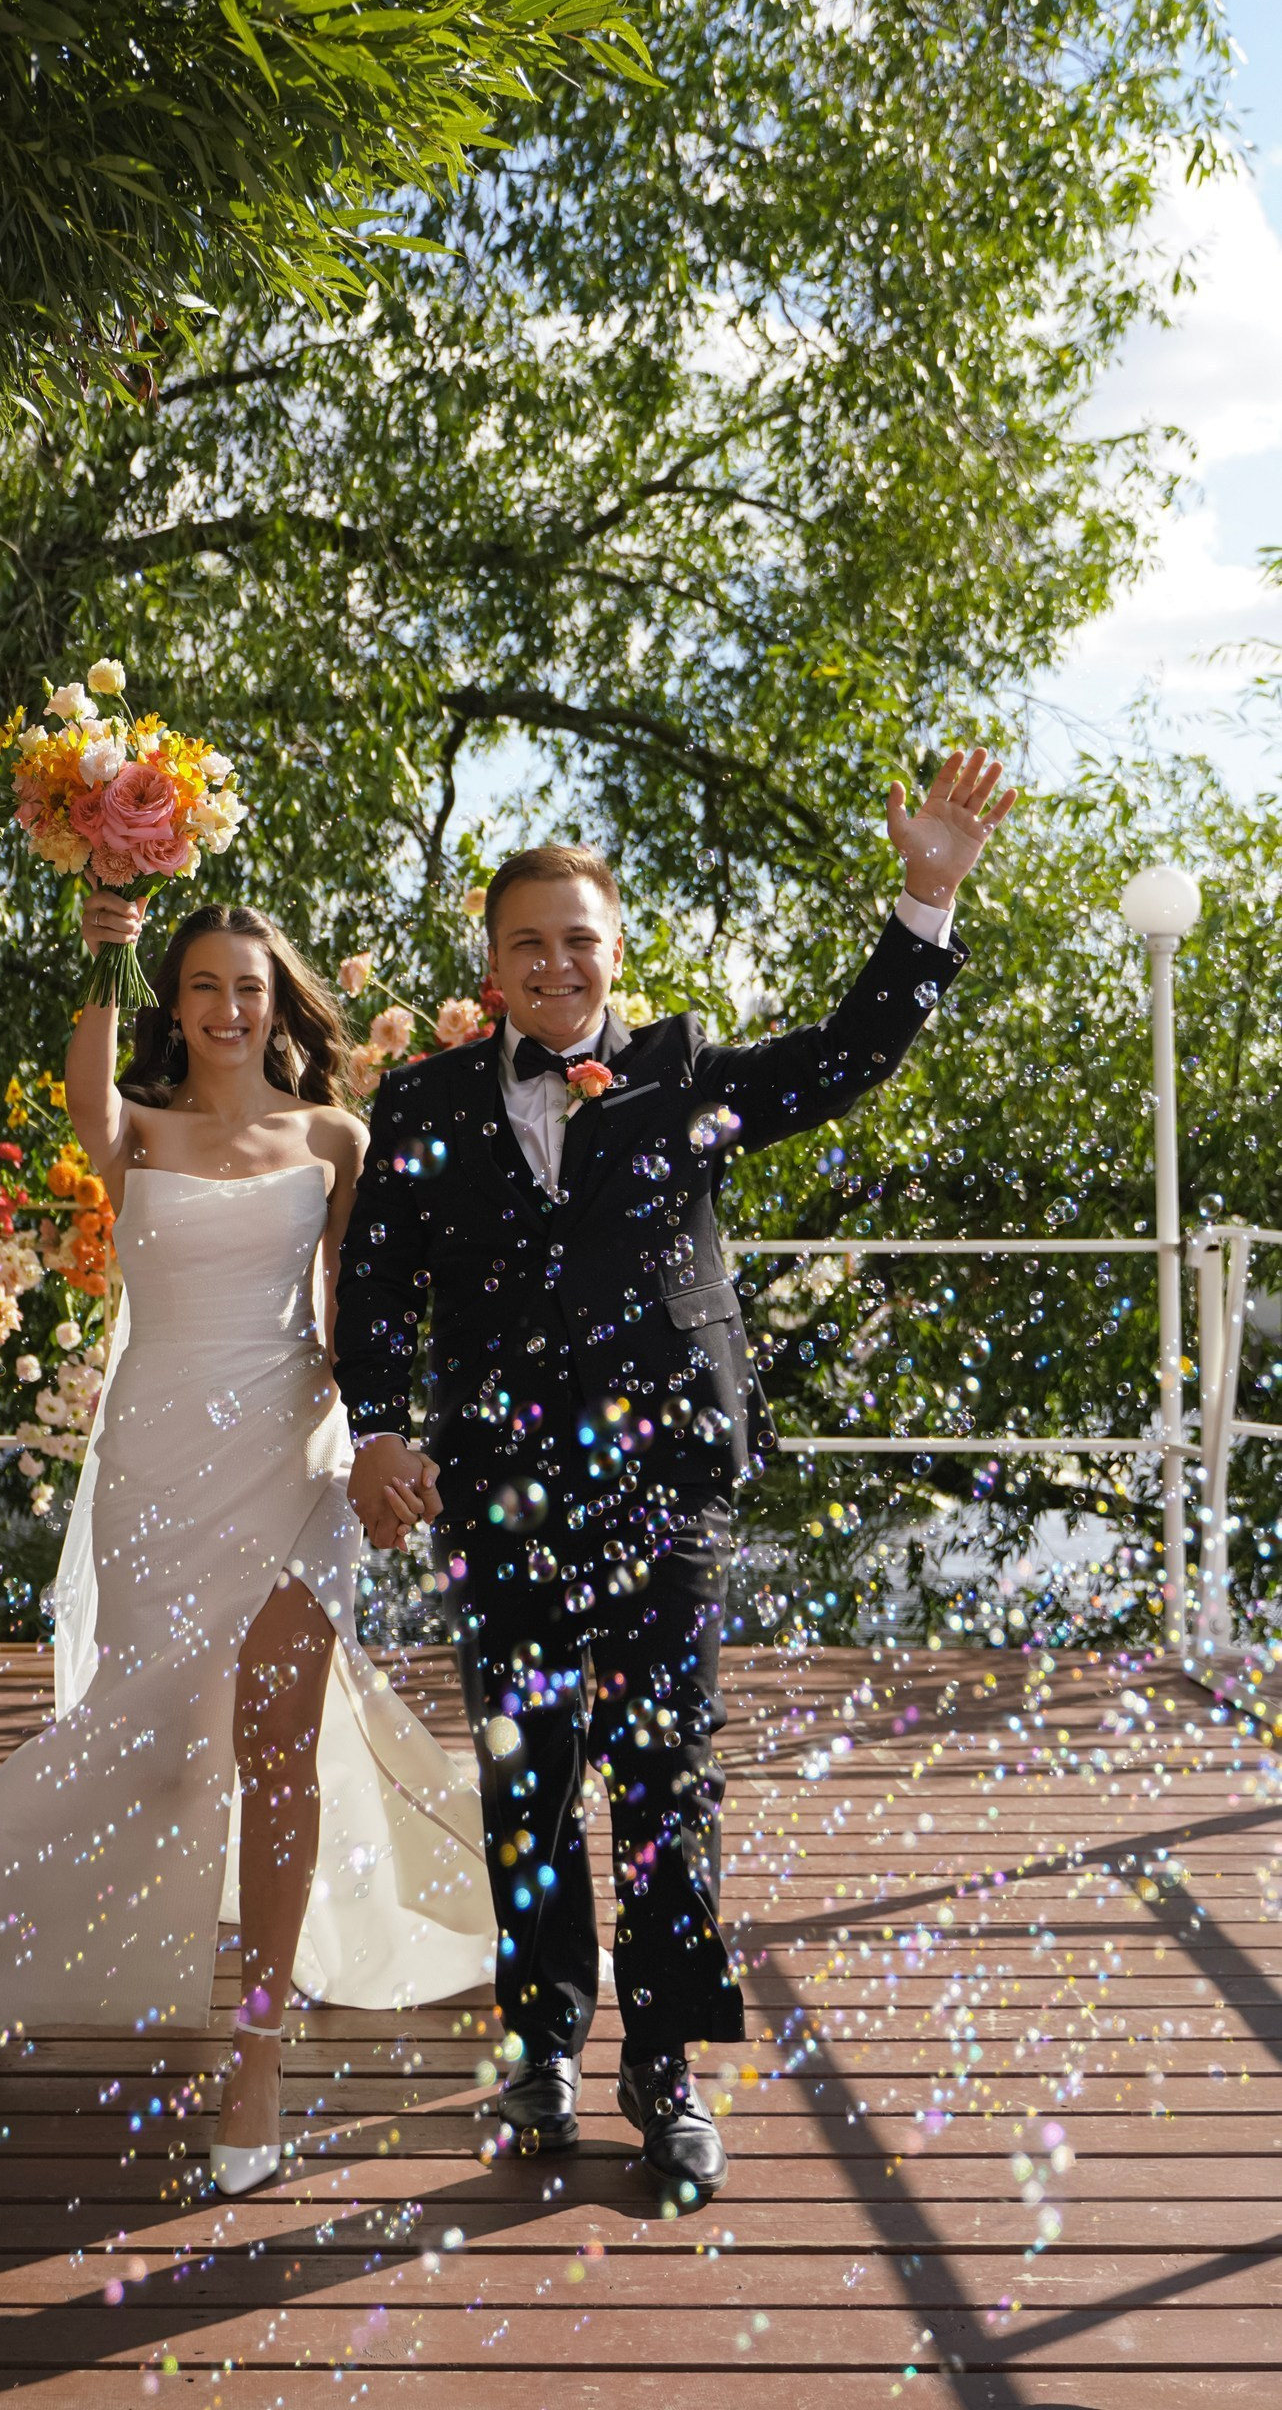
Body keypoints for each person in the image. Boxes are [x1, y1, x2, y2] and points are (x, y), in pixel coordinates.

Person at [335, 748, 1016, 2196]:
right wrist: (381, 1423)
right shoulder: (424, 1102)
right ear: (493, 964)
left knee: (662, 1777)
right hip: (499, 1482)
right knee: (525, 1780)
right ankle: (538, 2059)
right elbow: (378, 1285)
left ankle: (664, 2069)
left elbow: (843, 1061)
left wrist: (925, 902)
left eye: (579, 939)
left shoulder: (685, 1078)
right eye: (528, 943)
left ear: (613, 952)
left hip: (664, 1483)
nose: (556, 963)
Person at [0, 898, 493, 2196]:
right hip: (160, 1467)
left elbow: (365, 1323)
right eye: (203, 987)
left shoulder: (333, 1138)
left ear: (278, 1001)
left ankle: (258, 2059)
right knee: (166, 1756)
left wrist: (393, 1449)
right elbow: (85, 1075)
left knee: (279, 1741)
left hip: (294, 1462)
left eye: (249, 986)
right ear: (175, 1003)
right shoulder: (133, 1131)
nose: (229, 1007)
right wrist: (104, 938)